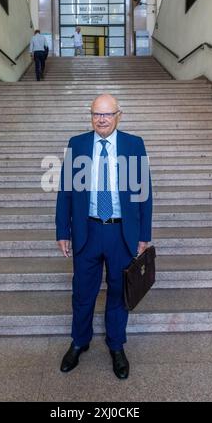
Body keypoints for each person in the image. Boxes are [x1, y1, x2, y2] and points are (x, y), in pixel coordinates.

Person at [56, 94, 153, 379]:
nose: (101, 119)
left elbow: (144, 193)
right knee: (82, 292)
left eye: (107, 115)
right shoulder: (78, 144)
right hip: (87, 230)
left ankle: (116, 345)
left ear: (118, 116)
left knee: (118, 293)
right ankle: (79, 341)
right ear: (91, 116)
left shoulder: (134, 145)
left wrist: (143, 234)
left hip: (121, 232)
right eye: (96, 114)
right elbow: (65, 191)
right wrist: (63, 230)